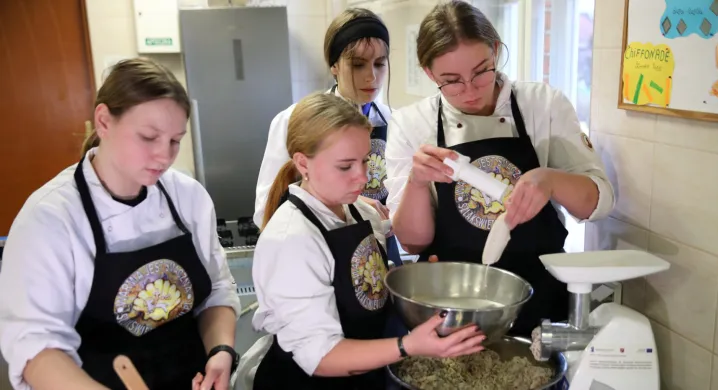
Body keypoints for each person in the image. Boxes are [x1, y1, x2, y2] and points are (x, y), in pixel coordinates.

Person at [0, 58, 241, 390]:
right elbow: (36, 348)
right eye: (148, 137)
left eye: (175, 140)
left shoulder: (188, 197)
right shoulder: (49, 218)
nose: (164, 155)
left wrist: (221, 350)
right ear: (103, 122)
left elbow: (216, 292)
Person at [385, 1, 615, 337]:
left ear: (495, 50)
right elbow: (412, 242)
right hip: (451, 304)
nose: (470, 90)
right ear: (429, 73)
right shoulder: (411, 124)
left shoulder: (542, 105)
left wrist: (550, 180)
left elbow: (600, 203)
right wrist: (418, 183)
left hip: (538, 296)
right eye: (451, 81)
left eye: (481, 71)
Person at [251, 93, 485, 389]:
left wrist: (419, 282)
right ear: (302, 163)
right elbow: (320, 357)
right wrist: (408, 346)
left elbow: (365, 280)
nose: (362, 178)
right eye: (345, 166)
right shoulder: (291, 241)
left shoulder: (359, 211)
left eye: (364, 161)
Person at [252, 8, 403, 265]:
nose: (371, 76)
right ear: (334, 65)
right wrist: (350, 204)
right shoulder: (294, 120)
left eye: (380, 63)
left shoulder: (396, 122)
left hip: (382, 256)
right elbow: (266, 208)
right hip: (322, 256)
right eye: (357, 65)